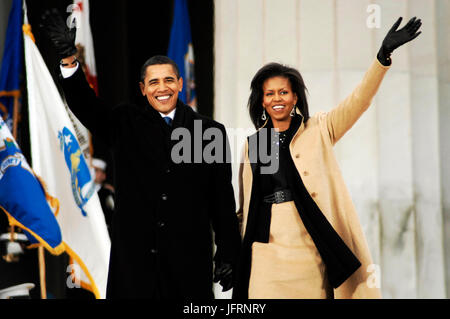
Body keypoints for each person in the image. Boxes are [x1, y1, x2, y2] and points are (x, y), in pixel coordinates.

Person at [40, 9, 241, 299]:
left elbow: (221, 199)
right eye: (154, 82)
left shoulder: (209, 132)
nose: (163, 88)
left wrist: (228, 252)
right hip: (135, 269)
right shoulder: (124, 122)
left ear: (180, 84)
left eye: (169, 80)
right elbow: (86, 107)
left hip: (187, 268)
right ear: (143, 89)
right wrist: (69, 60)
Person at [234, 17, 422, 299]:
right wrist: (227, 251)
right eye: (270, 93)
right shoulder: (254, 144)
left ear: (295, 97)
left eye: (283, 92)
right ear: (261, 101)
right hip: (265, 257)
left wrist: (382, 57)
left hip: (310, 253)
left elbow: (359, 100)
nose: (277, 98)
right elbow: (245, 208)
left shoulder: (319, 129)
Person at [91, 158, 115, 237]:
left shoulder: (106, 193)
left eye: (96, 170)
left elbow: (112, 212)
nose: (92, 172)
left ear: (103, 176)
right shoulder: (83, 192)